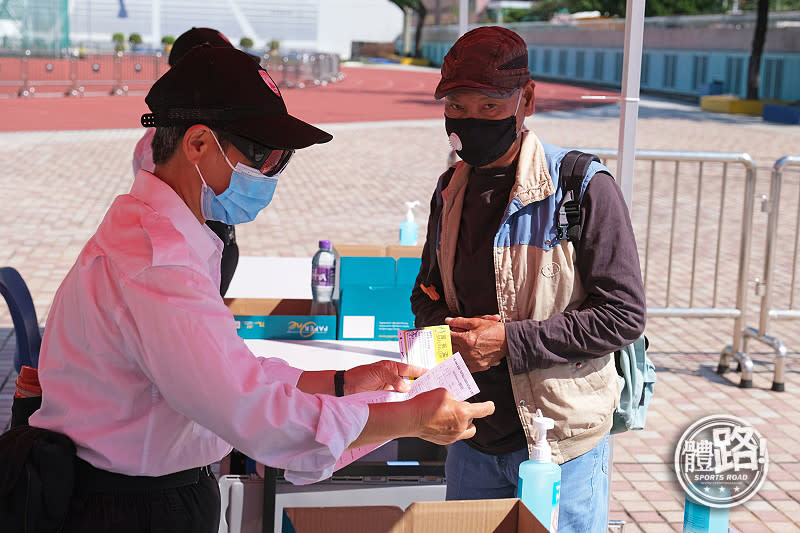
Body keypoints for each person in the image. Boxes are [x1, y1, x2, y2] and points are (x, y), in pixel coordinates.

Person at [28, 45, 494, 533]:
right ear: (199, 145)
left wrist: (342, 382)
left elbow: (226, 369)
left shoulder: (165, 234)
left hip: (137, 490)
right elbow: (253, 414)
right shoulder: (157, 264)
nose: (271, 173)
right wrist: (410, 420)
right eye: (263, 156)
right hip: (131, 507)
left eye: (281, 160)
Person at [411, 26, 646, 533]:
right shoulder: (449, 189)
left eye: (490, 107)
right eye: (457, 107)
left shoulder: (582, 187)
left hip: (558, 444)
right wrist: (449, 343)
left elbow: (623, 314)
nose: (470, 121)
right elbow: (426, 292)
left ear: (527, 100)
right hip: (472, 438)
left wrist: (509, 342)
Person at [132, 27, 252, 297]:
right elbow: (164, 221)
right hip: (188, 262)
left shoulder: (217, 127)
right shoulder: (160, 143)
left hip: (213, 249)